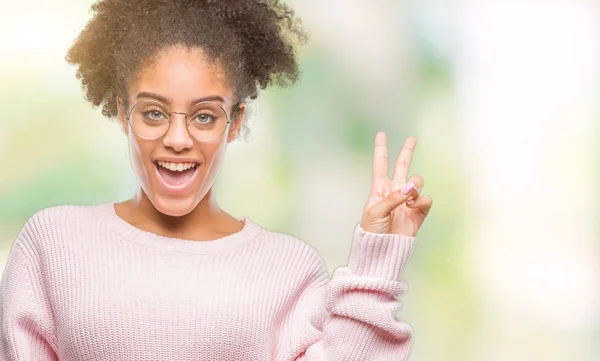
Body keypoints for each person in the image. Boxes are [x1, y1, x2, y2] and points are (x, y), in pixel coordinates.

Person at [0, 0, 433, 360]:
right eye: (153, 112)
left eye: (204, 116)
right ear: (121, 112)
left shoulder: (287, 270)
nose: (177, 139)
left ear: (233, 122)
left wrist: (380, 258)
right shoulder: (53, 244)